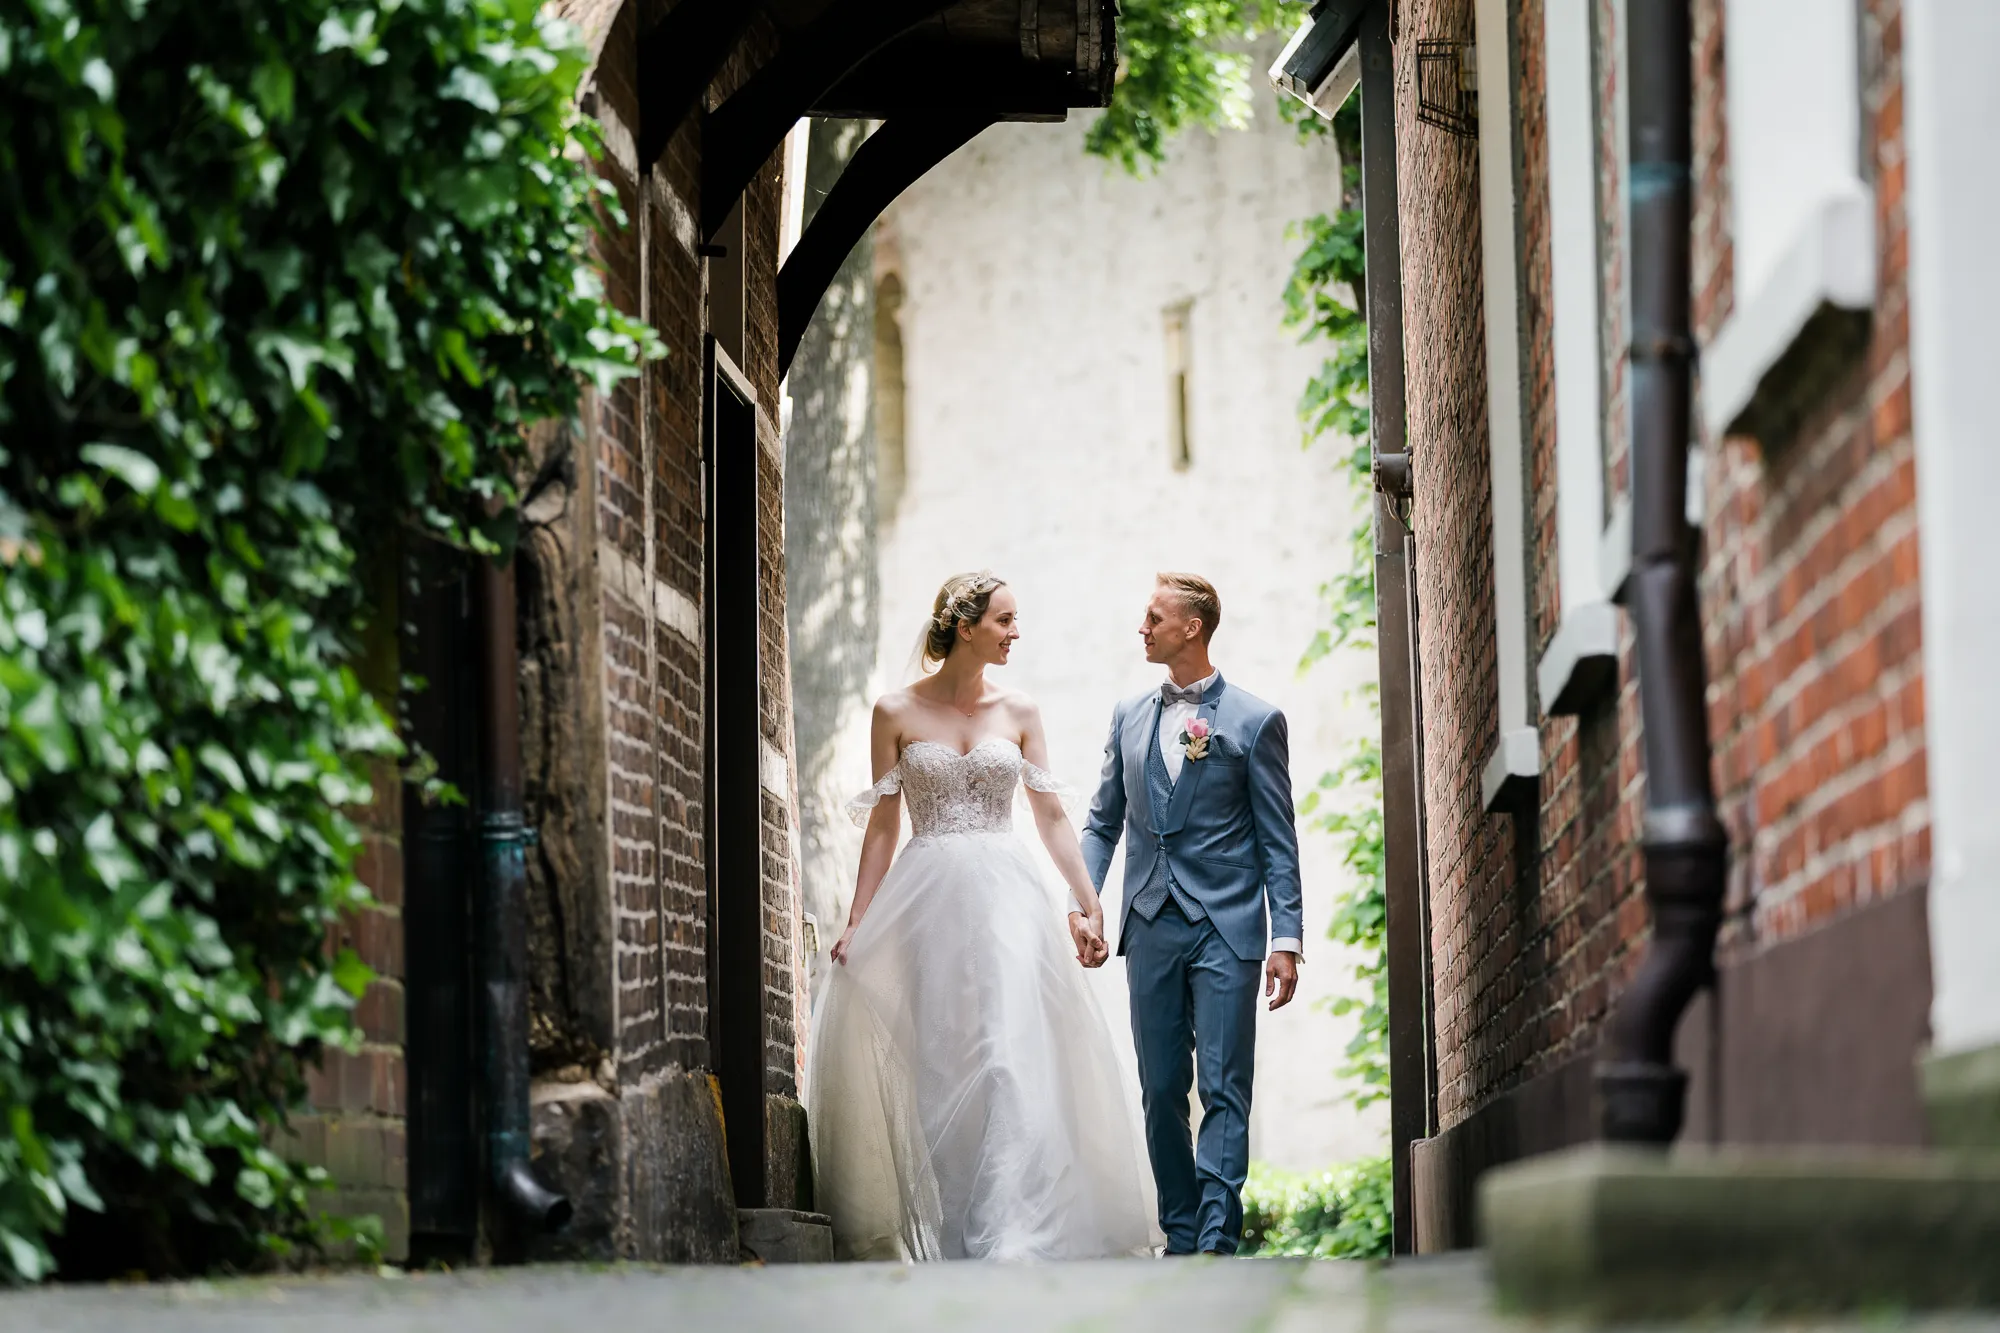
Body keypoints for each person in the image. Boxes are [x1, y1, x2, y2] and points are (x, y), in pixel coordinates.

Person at [807, 571, 1158, 1261]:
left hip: (1009, 900)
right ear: (964, 627)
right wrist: (857, 920)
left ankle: (1012, 1229)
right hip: (928, 902)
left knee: (1008, 1052)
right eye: (1004, 620)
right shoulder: (894, 711)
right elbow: (883, 826)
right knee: (944, 1062)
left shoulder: (1020, 710)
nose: (1015, 632)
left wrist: (1087, 898)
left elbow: (1050, 815)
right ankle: (958, 1230)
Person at [1080, 572, 1304, 1257]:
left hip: (1228, 928)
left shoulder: (1255, 721)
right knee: (1160, 1087)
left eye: (1154, 617)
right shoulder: (1128, 715)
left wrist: (1287, 936)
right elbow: (1101, 823)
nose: (1141, 628)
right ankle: (1180, 1230)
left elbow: (1277, 840)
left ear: (1192, 627)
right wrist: (1085, 903)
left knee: (1224, 1084)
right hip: (1148, 922)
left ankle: (1215, 1238)